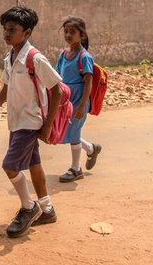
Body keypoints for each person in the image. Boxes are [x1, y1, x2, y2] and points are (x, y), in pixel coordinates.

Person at [0, 5, 63, 238]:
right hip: (16, 121)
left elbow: (57, 90)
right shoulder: (10, 58)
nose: (7, 33)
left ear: (27, 32)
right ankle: (47, 209)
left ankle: (28, 207)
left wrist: (48, 124)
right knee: (33, 164)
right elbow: (6, 89)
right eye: (5, 28)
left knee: (10, 165)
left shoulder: (35, 58)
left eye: (12, 29)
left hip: (30, 123)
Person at [55, 16, 102, 182]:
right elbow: (57, 76)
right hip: (65, 99)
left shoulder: (84, 57)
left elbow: (88, 82)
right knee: (65, 131)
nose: (68, 35)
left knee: (73, 132)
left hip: (78, 99)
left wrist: (82, 105)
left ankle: (76, 169)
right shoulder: (63, 54)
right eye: (66, 32)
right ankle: (91, 148)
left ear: (82, 36)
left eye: (72, 32)